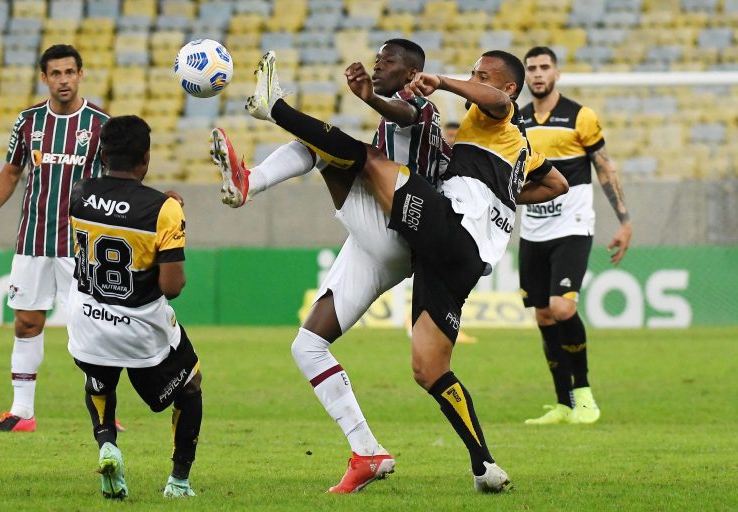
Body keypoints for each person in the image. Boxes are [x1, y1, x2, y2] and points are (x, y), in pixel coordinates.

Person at [243, 49, 568, 493]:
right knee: (429, 369)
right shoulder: (521, 150)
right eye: (472, 73)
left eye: (482, 75)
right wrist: (505, 197)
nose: (474, 79)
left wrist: (446, 81)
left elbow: (492, 100)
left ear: (509, 88)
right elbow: (557, 185)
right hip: (459, 262)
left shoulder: (500, 114)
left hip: (454, 231)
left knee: (367, 159)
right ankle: (485, 466)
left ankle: (274, 107)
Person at [212, 39, 451, 493]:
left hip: (396, 230)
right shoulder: (401, 112)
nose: (378, 65)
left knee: (327, 147)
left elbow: (405, 114)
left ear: (412, 72)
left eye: (389, 62)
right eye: (378, 59)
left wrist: (372, 98)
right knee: (307, 348)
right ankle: (368, 452)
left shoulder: (420, 103)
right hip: (381, 248)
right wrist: (374, 100)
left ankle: (252, 176)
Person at [0, 45, 112, 432]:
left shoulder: (101, 123)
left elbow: (119, 176)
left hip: (81, 243)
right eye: (56, 73)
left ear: (81, 74)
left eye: (70, 72)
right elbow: (12, 171)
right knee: (27, 322)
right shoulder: (29, 122)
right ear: (44, 78)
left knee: (91, 326)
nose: (64, 80)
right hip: (33, 240)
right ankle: (22, 413)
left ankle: (105, 411)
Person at [67, 115, 202, 499]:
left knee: (100, 381)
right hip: (140, 328)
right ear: (146, 158)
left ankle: (107, 445)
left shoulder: (79, 192)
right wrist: (176, 217)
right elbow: (172, 287)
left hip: (88, 321)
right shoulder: (163, 210)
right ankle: (178, 482)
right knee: (190, 384)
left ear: (103, 154)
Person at [518, 46, 632, 425]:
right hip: (533, 230)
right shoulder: (516, 121)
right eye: (531, 68)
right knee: (544, 317)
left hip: (572, 227)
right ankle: (563, 403)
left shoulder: (580, 116)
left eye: (544, 67)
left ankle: (584, 396)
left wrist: (624, 221)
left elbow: (604, 167)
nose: (537, 73)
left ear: (557, 73)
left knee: (562, 307)